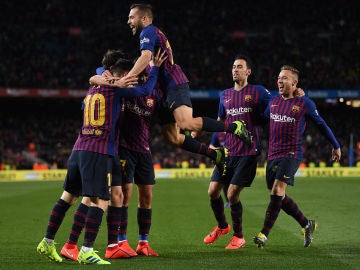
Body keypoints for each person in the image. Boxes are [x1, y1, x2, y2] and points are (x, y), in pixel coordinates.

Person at [36, 49, 166, 264]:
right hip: (99, 150)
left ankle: (48, 241)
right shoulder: (118, 90)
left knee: (69, 197)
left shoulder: (92, 87)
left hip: (79, 147)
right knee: (102, 199)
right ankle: (87, 249)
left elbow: (96, 77)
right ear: (122, 76)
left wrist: (101, 77)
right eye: (130, 75)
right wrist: (156, 69)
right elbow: (147, 88)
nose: (132, 78)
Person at [126, 3, 252, 170]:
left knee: (186, 123)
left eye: (131, 17)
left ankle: (234, 127)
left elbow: (145, 56)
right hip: (162, 92)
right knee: (173, 138)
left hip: (173, 83)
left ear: (144, 18)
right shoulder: (151, 35)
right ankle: (216, 154)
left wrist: (126, 79)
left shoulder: (148, 31)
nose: (128, 21)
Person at [253, 65, 341, 248]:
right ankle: (307, 224)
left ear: (294, 83)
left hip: (291, 154)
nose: (279, 80)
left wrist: (336, 145)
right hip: (272, 155)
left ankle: (263, 234)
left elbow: (321, 125)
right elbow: (262, 119)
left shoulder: (304, 104)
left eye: (284, 78)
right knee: (278, 196)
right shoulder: (274, 101)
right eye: (278, 77)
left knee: (277, 191)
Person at [202, 55, 272, 249]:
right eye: (233, 67)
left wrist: (295, 95)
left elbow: (276, 103)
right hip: (227, 152)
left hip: (248, 152)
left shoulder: (257, 91)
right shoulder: (224, 94)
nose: (235, 70)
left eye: (239, 67)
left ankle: (238, 236)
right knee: (212, 191)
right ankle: (222, 227)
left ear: (248, 71)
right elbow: (220, 121)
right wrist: (213, 145)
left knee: (232, 194)